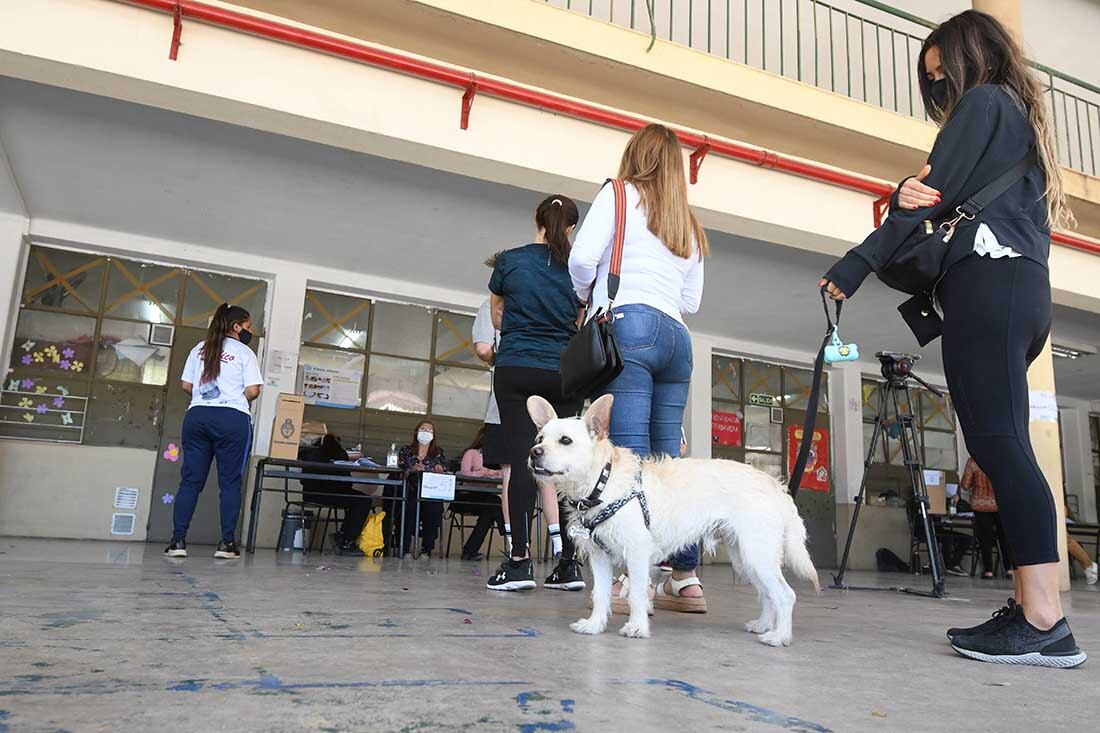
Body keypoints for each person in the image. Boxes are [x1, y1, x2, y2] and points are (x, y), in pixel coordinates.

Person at [820, 11, 1085, 667]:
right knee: (1007, 445)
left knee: (1001, 447)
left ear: (972, 56)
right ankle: (1030, 604)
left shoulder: (986, 103)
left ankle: (1046, 618)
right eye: (931, 83)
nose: (939, 91)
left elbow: (924, 202)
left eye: (943, 75)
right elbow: (927, 205)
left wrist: (855, 262)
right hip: (1015, 291)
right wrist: (907, 198)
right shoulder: (1009, 121)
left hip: (989, 288)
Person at [570, 123, 708, 613]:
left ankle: (636, 582)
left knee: (627, 460)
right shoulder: (687, 222)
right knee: (669, 463)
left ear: (635, 155)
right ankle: (686, 579)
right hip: (677, 339)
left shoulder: (619, 193)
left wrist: (587, 293)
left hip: (630, 326)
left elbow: (583, 257)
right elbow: (691, 299)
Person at [485, 194, 586, 592]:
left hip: (517, 367)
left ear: (537, 220)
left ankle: (519, 563)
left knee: (523, 459)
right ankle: (569, 565)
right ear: (572, 227)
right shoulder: (578, 268)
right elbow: (580, 317)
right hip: (563, 372)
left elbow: (497, 314)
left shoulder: (510, 261)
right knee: (566, 466)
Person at [164, 303, 262, 559]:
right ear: (236, 326)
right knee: (230, 483)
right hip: (232, 419)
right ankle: (226, 544)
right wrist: (232, 397)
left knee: (190, 481)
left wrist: (204, 396)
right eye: (249, 326)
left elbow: (186, 385)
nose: (250, 331)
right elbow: (253, 391)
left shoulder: (199, 348)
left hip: (197, 417)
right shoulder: (244, 353)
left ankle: (177, 541)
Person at [472, 295, 511, 553]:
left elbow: (484, 349)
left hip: (506, 397)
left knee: (509, 474)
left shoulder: (492, 304)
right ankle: (564, 554)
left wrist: (499, 360)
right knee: (546, 479)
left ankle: (516, 549)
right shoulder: (549, 301)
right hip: (547, 400)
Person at [299, 433, 370, 556]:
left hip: (311, 493)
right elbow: (345, 483)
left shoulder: (309, 454)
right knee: (362, 501)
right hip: (327, 493)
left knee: (359, 500)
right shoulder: (336, 453)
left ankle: (343, 537)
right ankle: (346, 540)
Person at [453, 426, 504, 561]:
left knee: (490, 509)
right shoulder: (471, 453)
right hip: (467, 497)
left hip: (486, 500)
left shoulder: (497, 458)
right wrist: (487, 472)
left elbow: (503, 475)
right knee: (495, 503)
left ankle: (469, 551)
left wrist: (482, 471)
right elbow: (465, 474)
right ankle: (508, 531)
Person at [398, 419, 448, 557]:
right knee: (409, 508)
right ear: (416, 432)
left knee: (434, 508)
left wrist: (439, 470)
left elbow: (444, 469)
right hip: (411, 489)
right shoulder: (406, 450)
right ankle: (405, 547)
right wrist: (412, 468)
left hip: (430, 491)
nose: (426, 432)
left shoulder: (438, 452)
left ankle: (427, 548)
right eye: (423, 429)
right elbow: (401, 470)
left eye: (429, 430)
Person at [962, 457, 1013, 579]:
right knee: (1005, 538)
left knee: (985, 539)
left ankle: (988, 570)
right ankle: (1008, 568)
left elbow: (965, 485)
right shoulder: (1001, 460)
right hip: (1001, 504)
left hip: (980, 505)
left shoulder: (973, 461)